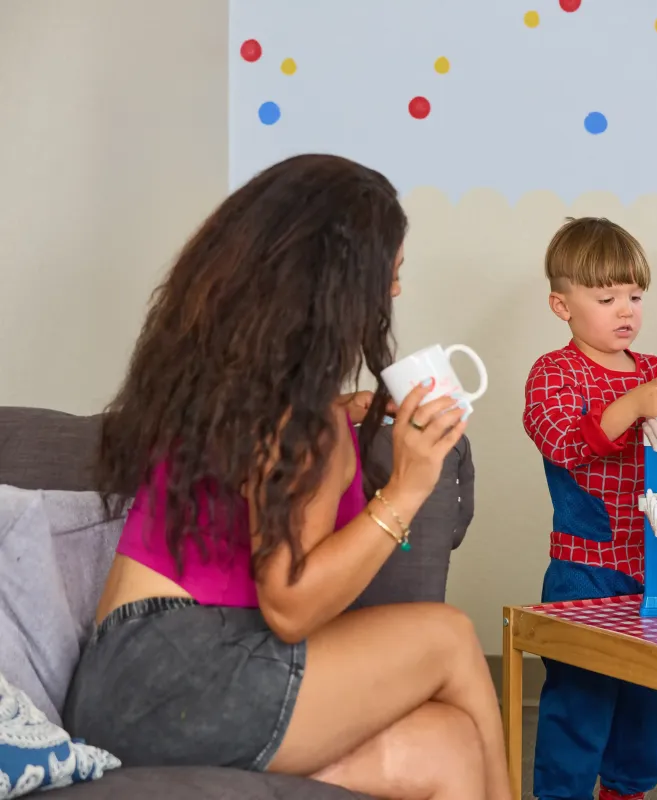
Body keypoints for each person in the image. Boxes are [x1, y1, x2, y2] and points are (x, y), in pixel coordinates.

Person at [62, 154, 510, 800]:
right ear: (341, 284)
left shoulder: (235, 390)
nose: (396, 292)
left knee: (448, 748)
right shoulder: (300, 421)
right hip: (183, 673)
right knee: (450, 636)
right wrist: (408, 486)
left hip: (126, 685)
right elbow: (291, 604)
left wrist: (338, 423)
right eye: (392, 273)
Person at [522, 217, 657, 800]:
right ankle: (562, 793)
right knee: (580, 702)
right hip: (584, 570)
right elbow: (566, 442)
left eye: (635, 297)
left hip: (656, 569)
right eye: (606, 297)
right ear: (560, 305)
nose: (625, 311)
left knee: (644, 702)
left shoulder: (654, 371)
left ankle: (627, 790)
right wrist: (637, 402)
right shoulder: (554, 373)